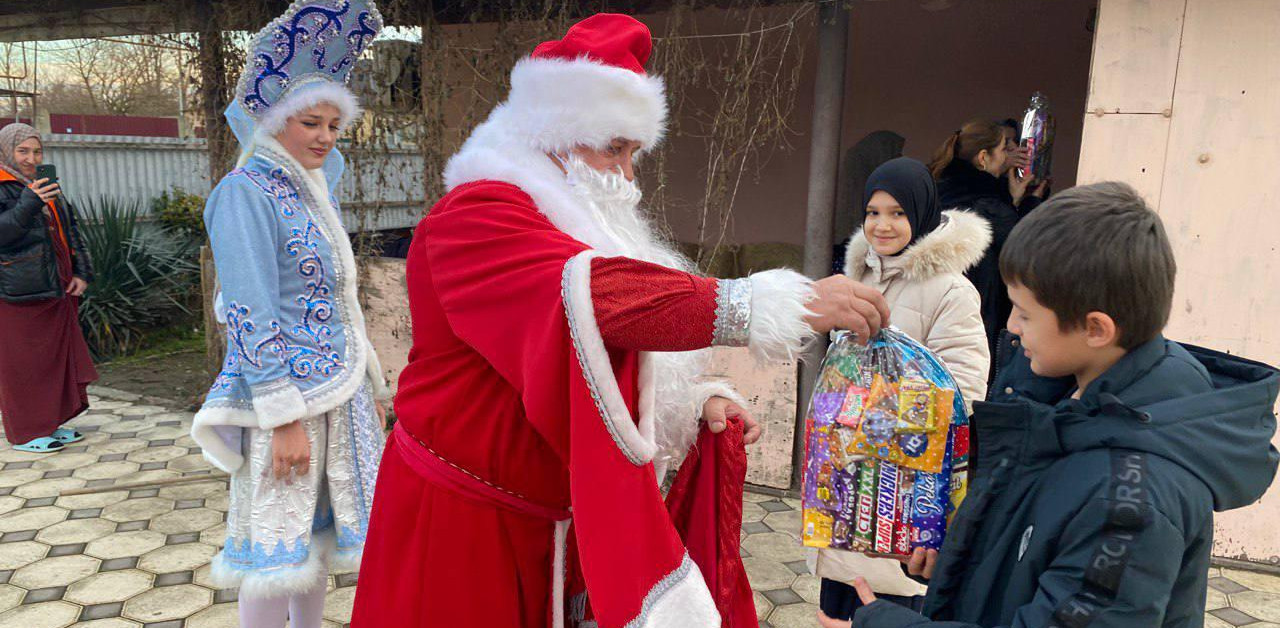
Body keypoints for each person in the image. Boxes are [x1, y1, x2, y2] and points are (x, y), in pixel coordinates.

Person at [352, 13, 890, 628]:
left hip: (545, 520)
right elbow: (596, 297)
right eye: (616, 149)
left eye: (635, 153)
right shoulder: (475, 215)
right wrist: (768, 303)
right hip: (463, 521)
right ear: (554, 134)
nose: (629, 176)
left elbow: (595, 352)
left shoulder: (555, 216)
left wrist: (692, 404)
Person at [819, 182, 1280, 628]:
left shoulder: (1131, 501)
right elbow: (1033, 558)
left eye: (1024, 312)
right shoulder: (1061, 403)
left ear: (1096, 329)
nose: (1012, 327)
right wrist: (956, 559)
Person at [188, 1, 391, 626]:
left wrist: (368, 385)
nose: (326, 136)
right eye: (310, 122)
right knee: (274, 553)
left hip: (337, 395)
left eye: (334, 124)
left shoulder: (310, 190)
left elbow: (337, 303)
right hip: (287, 400)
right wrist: (281, 419)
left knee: (316, 547)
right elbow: (249, 312)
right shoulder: (244, 192)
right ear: (275, 120)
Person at [815, 157, 990, 621]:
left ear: (922, 213)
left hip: (907, 481)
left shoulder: (950, 290)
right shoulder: (857, 277)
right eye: (873, 212)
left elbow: (965, 386)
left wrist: (883, 417)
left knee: (891, 602)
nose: (882, 225)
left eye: (897, 213)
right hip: (850, 469)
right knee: (838, 599)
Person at [0, 122, 97, 453]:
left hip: (56, 286)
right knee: (24, 363)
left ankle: (50, 422)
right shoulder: (7, 187)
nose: (31, 158)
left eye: (37, 151)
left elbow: (70, 230)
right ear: (6, 152)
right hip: (18, 291)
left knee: (52, 359)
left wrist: (81, 271)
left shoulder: (43, 185)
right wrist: (29, 201)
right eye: (22, 151)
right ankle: (26, 432)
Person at [929, 119, 1047, 362]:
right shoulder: (986, 202)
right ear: (983, 157)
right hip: (979, 313)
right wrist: (1029, 202)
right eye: (1004, 149)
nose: (1009, 157)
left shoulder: (941, 190)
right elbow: (1023, 251)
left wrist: (1011, 199)